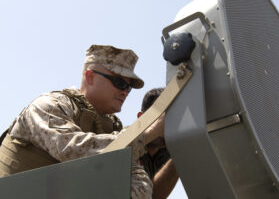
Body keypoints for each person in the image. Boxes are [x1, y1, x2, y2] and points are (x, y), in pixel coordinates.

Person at [0, 45, 166, 199]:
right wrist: (148, 132)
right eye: (119, 83)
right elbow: (74, 150)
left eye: (128, 87)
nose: (125, 92)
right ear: (90, 77)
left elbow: (134, 175)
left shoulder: (111, 126)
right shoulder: (49, 106)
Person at [138, 88, 179, 199]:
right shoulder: (125, 147)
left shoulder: (167, 152)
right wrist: (179, 155)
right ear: (140, 117)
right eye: (160, 117)